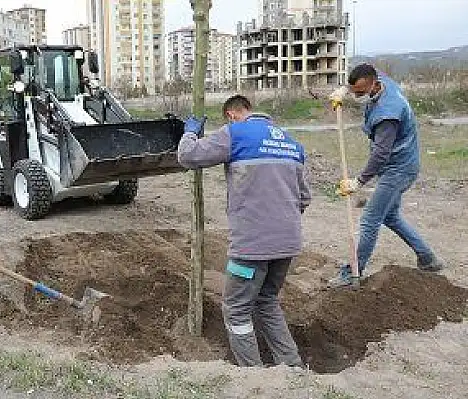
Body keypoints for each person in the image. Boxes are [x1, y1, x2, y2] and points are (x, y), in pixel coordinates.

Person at [178, 95, 311, 367]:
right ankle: (293, 368)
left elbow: (188, 156)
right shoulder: (290, 142)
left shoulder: (235, 134)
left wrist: (190, 133)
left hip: (251, 248)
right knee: (267, 301)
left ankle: (253, 377)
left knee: (237, 309)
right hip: (287, 244)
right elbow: (304, 197)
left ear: (231, 115)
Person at [328, 63, 444, 287]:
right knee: (390, 216)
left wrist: (358, 182)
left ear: (373, 84)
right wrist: (345, 89)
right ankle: (428, 259)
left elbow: (381, 154)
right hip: (398, 165)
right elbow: (361, 79)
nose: (358, 96)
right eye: (355, 91)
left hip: (399, 169)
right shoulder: (379, 79)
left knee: (370, 219)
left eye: (360, 92)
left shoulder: (387, 113)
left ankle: (353, 271)